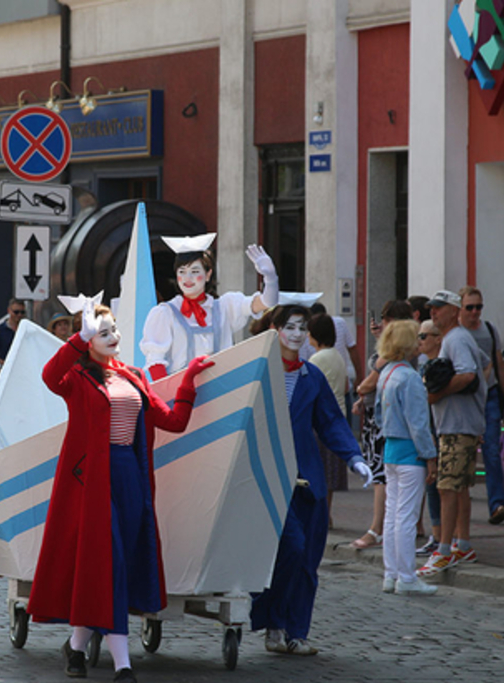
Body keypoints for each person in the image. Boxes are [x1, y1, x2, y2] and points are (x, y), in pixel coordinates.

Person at [27, 296, 211, 683]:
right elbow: (48, 375)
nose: (112, 337)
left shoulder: (134, 376)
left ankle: (76, 647)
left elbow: (173, 421)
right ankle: (123, 666)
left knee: (113, 566)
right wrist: (80, 337)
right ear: (88, 338)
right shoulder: (76, 377)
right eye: (102, 332)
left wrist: (189, 380)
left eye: (113, 330)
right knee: (108, 561)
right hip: (91, 481)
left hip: (130, 477)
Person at [250, 302, 371, 656]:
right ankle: (273, 621)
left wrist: (354, 457)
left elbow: (332, 422)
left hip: (307, 481)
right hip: (267, 479)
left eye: (302, 328)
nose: (296, 334)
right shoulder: (258, 373)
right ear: (274, 330)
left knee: (307, 560)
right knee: (291, 547)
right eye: (289, 326)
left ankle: (295, 631)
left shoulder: (311, 376)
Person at [417, 290, 488, 577]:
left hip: (458, 425)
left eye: (438, 308)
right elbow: (485, 363)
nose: (433, 313)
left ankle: (444, 550)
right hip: (461, 422)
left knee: (446, 487)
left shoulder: (456, 338)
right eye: (431, 309)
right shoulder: (457, 338)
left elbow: (469, 373)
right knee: (458, 487)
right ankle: (463, 543)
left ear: (453, 310)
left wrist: (438, 393)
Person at [140, 235, 279, 380]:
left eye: (194, 271)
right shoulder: (165, 313)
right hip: (182, 395)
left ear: (208, 274)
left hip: (222, 391)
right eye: (182, 272)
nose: (187, 278)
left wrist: (270, 278)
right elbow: (155, 360)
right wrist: (170, 398)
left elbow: (267, 302)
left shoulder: (226, 306)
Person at [374, 320, 439, 595]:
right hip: (410, 453)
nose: (420, 342)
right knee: (406, 516)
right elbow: (418, 424)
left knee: (392, 515)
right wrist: (430, 455)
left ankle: (392, 574)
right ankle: (407, 578)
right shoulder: (410, 377)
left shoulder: (386, 373)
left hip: (390, 449)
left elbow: (378, 414)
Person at [351, 299, 415, 550]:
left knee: (381, 476)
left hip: (382, 420)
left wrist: (361, 390)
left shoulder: (391, 354)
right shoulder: (407, 350)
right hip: (387, 417)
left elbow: (368, 383)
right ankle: (397, 530)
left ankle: (376, 529)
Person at [458, 286, 504, 525]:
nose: (475, 312)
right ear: (460, 309)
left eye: (478, 307)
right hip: (464, 399)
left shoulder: (489, 330)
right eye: (469, 307)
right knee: (465, 453)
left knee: (492, 452)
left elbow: (501, 366)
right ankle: (460, 505)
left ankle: (497, 505)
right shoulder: (456, 333)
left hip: (490, 396)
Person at [307, 313, 349, 522]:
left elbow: (308, 390)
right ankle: (327, 513)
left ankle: (321, 516)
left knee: (318, 471)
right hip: (338, 418)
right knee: (330, 474)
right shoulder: (337, 356)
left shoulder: (317, 359)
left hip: (321, 420)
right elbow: (346, 386)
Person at [415, 319, 444, 557]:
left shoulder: (443, 364)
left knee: (441, 484)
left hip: (441, 427)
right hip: (430, 426)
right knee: (432, 485)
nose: (420, 340)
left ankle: (444, 536)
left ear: (438, 338)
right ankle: (437, 535)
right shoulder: (423, 365)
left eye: (424, 336)